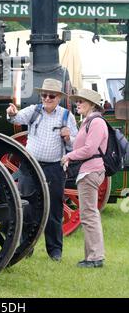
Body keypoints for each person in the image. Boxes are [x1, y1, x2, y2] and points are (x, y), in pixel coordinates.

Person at [6, 78, 78, 261]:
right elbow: (15, 117)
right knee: (27, 208)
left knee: (54, 210)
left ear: (59, 97)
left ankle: (55, 251)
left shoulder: (66, 116)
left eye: (51, 96)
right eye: (44, 95)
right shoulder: (34, 111)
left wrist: (69, 138)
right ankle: (25, 247)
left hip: (54, 168)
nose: (47, 98)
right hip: (30, 166)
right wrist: (11, 112)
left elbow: (74, 147)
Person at [61, 88, 108, 268]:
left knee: (89, 215)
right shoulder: (88, 121)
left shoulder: (96, 122)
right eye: (77, 101)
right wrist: (69, 139)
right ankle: (91, 257)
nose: (77, 103)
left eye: (81, 101)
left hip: (90, 172)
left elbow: (89, 149)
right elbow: (81, 145)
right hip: (88, 171)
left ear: (92, 104)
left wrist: (68, 156)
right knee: (88, 214)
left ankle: (95, 257)